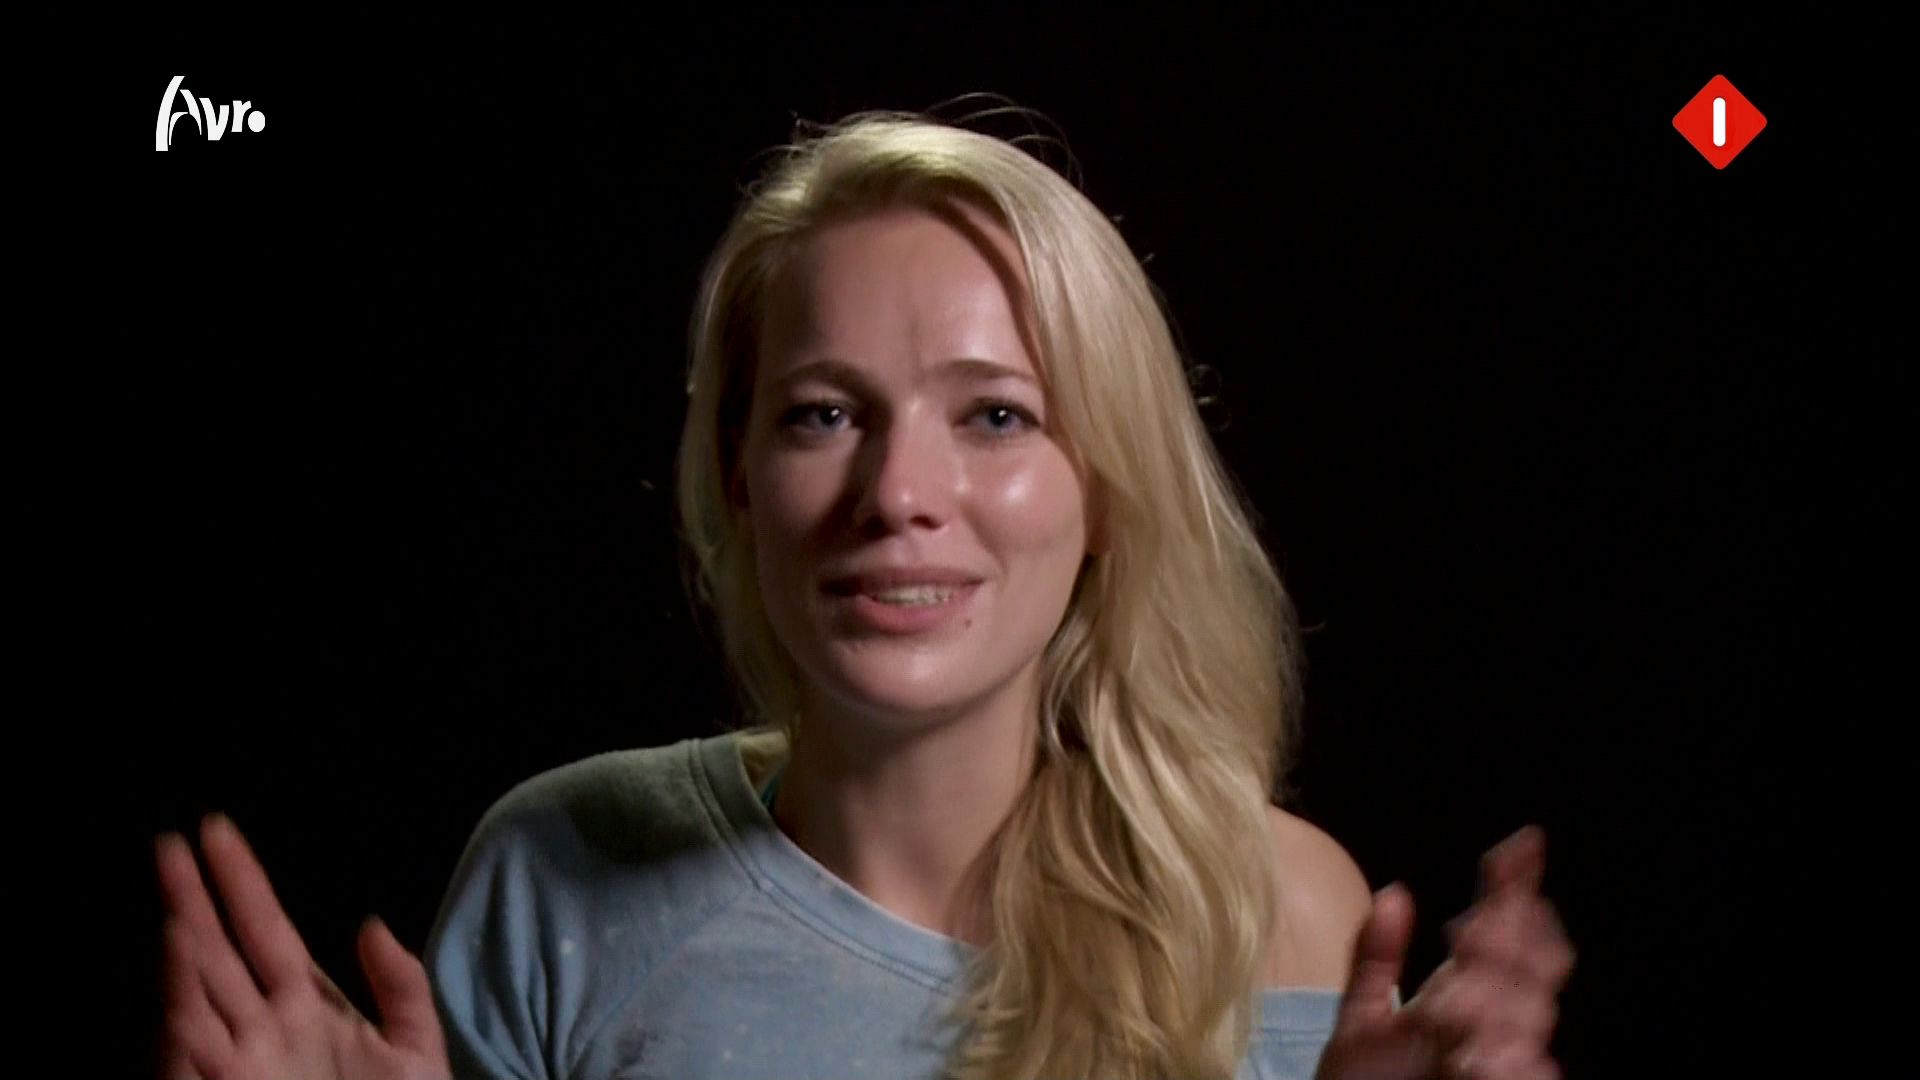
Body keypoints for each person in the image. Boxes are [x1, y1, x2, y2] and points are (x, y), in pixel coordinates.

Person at [155, 110, 1575, 1080]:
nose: (898, 491)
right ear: (738, 473)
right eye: (824, 414)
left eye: (996, 417)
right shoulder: (561, 873)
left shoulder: (1276, 909)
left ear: (1104, 487)